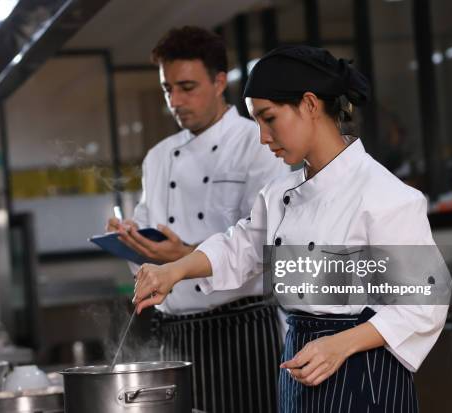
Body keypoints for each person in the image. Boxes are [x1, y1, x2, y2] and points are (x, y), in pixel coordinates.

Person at [133, 45, 449, 413]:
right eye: (256, 123)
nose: (263, 137)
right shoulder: (279, 193)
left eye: (269, 118)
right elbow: (241, 246)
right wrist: (174, 270)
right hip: (300, 360)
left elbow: (424, 304)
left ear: (310, 105)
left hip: (364, 370)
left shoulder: (385, 195)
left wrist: (340, 344)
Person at [107, 27, 289, 413]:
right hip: (174, 332)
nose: (175, 100)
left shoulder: (258, 144)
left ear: (220, 81)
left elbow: (264, 247)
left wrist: (184, 256)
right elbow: (147, 239)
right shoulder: (158, 157)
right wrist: (131, 240)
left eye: (187, 87)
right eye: (167, 89)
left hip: (241, 329)